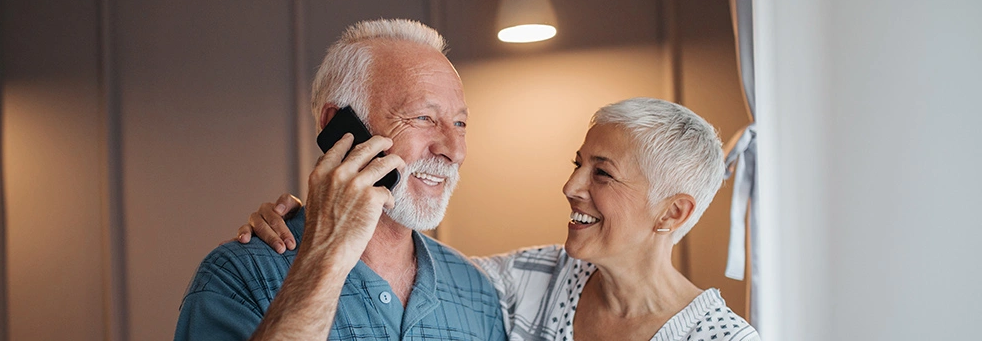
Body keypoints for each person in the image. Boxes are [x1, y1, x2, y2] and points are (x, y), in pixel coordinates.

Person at [246, 98, 761, 340]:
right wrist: (314, 219)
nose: (571, 187)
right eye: (577, 164)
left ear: (673, 212)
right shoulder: (530, 281)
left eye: (601, 174)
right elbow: (405, 271)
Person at [173, 19, 506, 340]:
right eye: (423, 117)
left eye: (460, 124)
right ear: (340, 127)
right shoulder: (237, 276)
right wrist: (325, 256)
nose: (454, 150)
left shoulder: (478, 292)